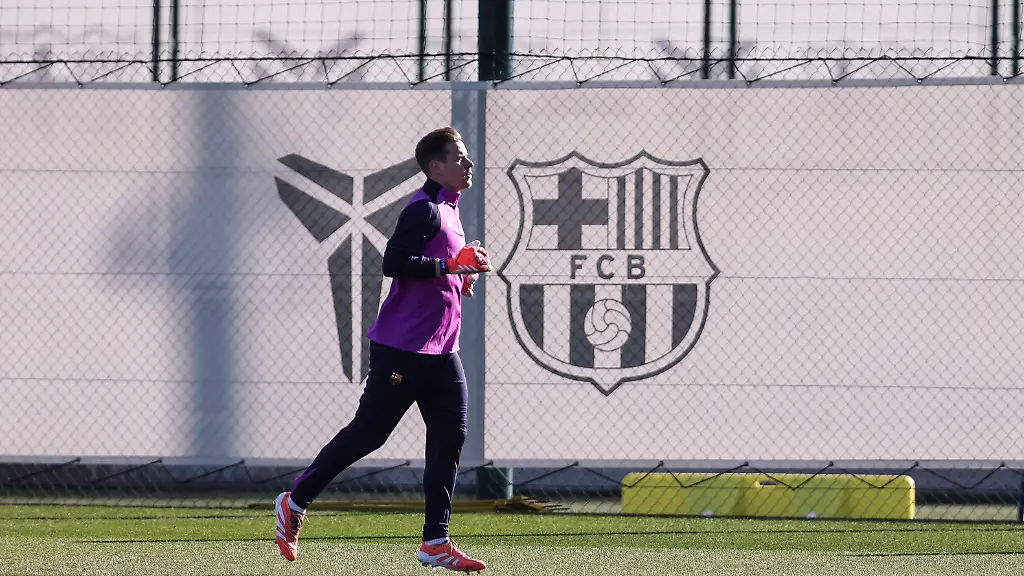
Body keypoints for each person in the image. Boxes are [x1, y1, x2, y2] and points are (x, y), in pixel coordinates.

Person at [274, 126, 491, 573]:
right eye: (459, 157)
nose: (468, 164)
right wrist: (449, 264)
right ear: (436, 166)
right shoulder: (425, 209)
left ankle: (436, 542)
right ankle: (294, 502)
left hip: (441, 352)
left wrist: (460, 275)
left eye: (467, 158)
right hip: (403, 350)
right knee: (370, 433)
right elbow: (393, 263)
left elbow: (436, 269)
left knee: (451, 438)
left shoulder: (451, 208)